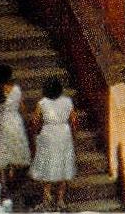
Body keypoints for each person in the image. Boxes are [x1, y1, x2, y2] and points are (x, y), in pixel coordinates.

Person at [30, 75, 77, 210]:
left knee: (47, 164)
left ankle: (47, 197)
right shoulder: (68, 101)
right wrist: (73, 135)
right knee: (63, 164)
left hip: (48, 134)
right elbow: (74, 121)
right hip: (64, 133)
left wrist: (34, 133)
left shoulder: (42, 103)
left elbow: (35, 121)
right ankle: (60, 200)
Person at [0, 60, 31, 197]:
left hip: (3, 121)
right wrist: (25, 120)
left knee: (3, 147)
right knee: (15, 147)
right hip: (15, 120)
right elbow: (23, 108)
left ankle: (3, 182)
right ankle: (12, 176)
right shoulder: (16, 90)